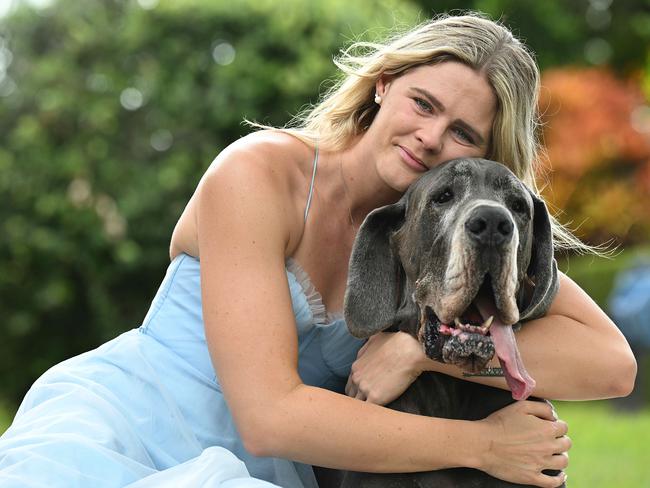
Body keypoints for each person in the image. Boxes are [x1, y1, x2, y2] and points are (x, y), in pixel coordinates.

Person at [0, 12, 636, 488]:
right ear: (384, 84)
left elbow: (611, 364)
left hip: (281, 470)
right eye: (423, 103)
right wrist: (482, 446)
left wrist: (424, 351)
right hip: (132, 430)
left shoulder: (431, 236)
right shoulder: (259, 175)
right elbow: (270, 417)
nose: (431, 137)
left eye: (464, 133)